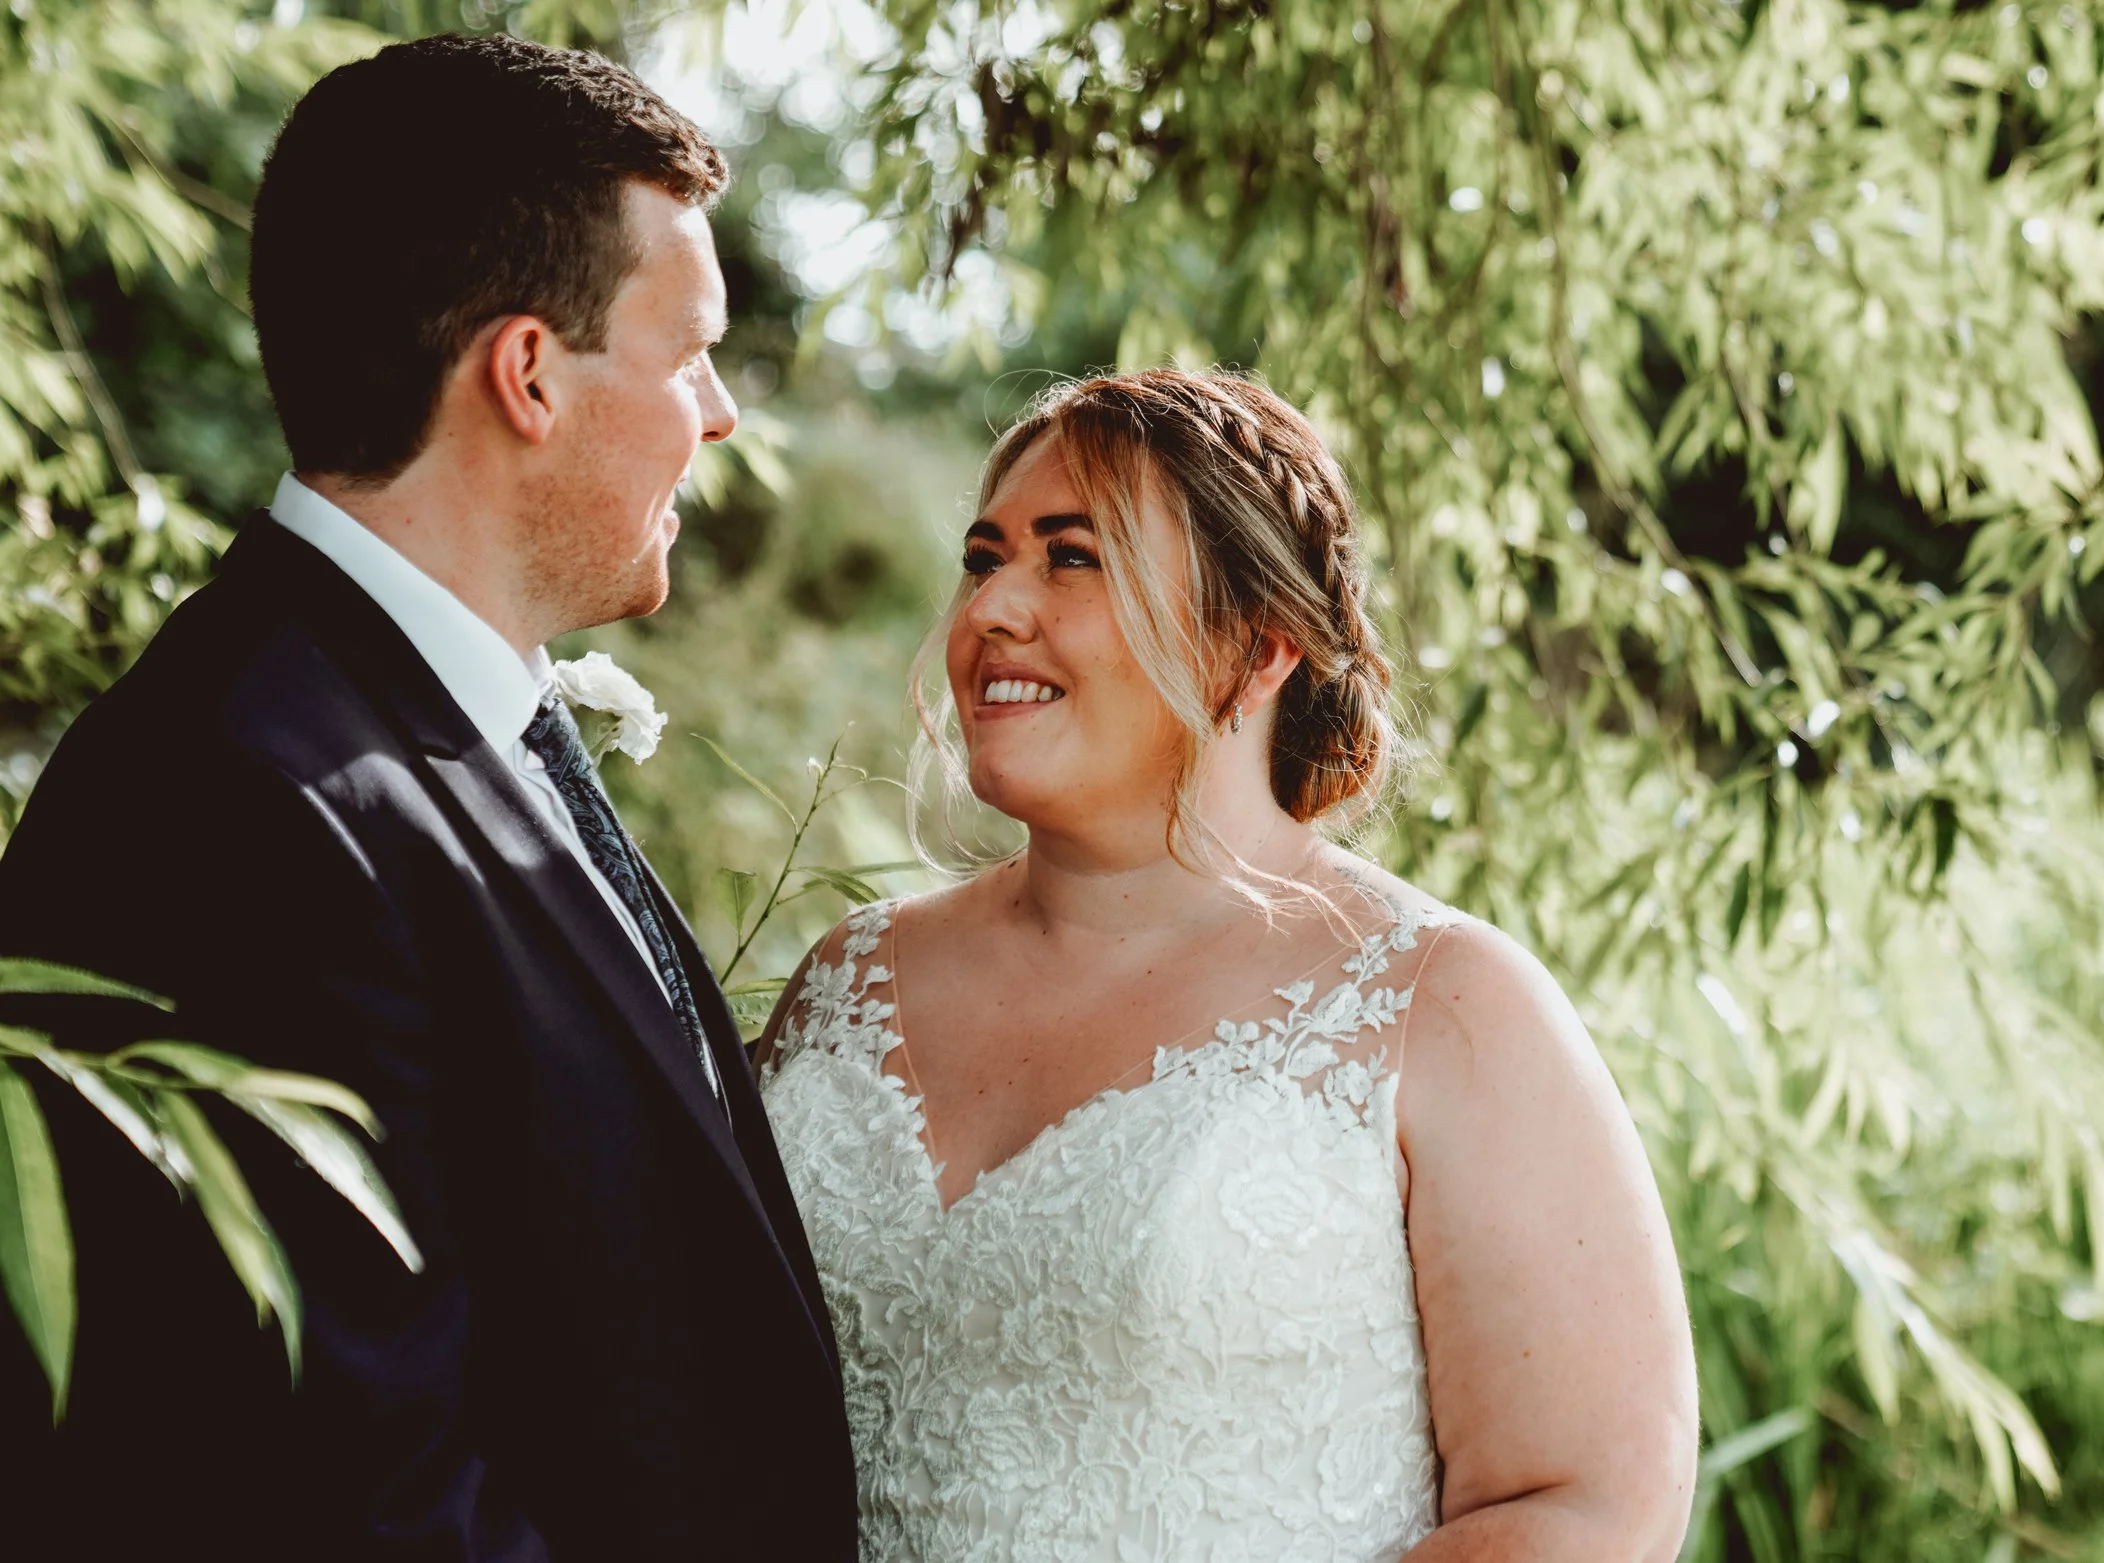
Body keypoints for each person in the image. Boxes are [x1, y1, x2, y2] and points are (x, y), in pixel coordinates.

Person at [0, 35, 855, 1560]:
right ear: (527, 373)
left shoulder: (451, 728)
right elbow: (328, 1490)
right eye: (690, 353)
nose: (719, 415)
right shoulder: (238, 804)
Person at [757, 368, 1699, 1561]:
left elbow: (1587, 1507)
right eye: (983, 556)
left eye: (1073, 558)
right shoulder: (849, 982)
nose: (993, 607)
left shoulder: (1442, 1003)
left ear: (1255, 647)